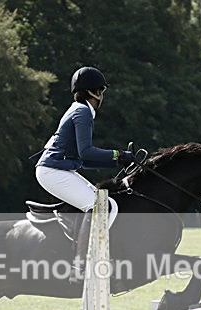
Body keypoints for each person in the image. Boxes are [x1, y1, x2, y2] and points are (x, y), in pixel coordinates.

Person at [34, 66, 135, 281]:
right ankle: (80, 268)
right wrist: (119, 153)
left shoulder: (77, 109)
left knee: (106, 203)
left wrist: (117, 161)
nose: (103, 96)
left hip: (57, 169)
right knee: (99, 206)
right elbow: (86, 152)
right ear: (95, 92)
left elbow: (83, 160)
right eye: (102, 91)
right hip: (52, 171)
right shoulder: (83, 112)